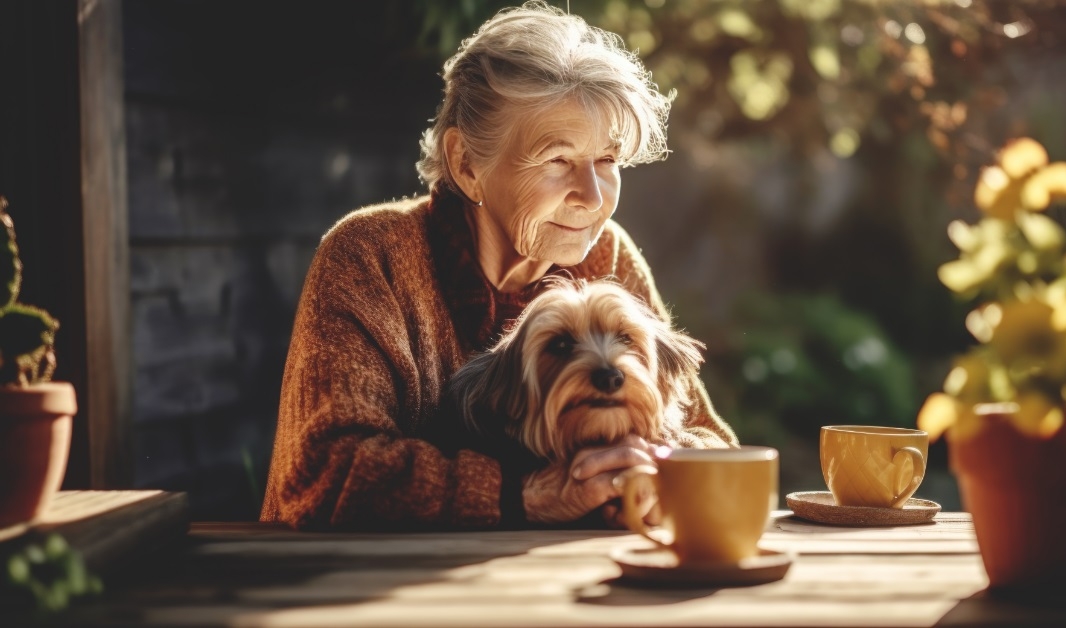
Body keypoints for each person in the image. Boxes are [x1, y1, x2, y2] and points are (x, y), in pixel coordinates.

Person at [260, 1, 737, 530]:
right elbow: (329, 474)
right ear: (466, 164)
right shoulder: (372, 255)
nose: (592, 196)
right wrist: (526, 493)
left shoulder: (609, 255)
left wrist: (653, 470)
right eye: (558, 160)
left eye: (608, 160)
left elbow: (708, 440)